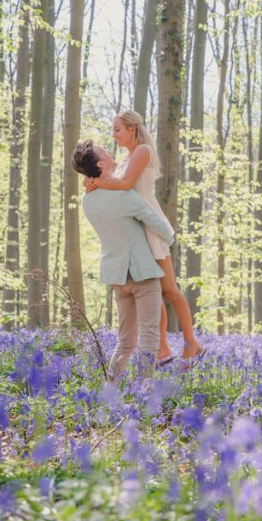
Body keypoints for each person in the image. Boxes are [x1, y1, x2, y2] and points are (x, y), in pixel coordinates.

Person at [83, 110, 204, 362]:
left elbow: (125, 184)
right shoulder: (125, 158)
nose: (113, 135)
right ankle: (161, 348)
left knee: (169, 289)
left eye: (117, 129)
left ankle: (191, 343)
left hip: (151, 223)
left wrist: (99, 183)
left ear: (132, 129)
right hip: (137, 228)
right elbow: (111, 178)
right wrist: (93, 180)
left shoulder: (142, 151)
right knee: (151, 289)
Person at [72, 140, 174, 378]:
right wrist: (169, 237)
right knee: (149, 336)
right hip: (142, 273)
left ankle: (111, 388)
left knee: (125, 340)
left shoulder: (88, 201)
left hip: (118, 277)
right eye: (104, 151)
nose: (109, 151)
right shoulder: (123, 196)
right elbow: (154, 221)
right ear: (101, 163)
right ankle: (144, 390)